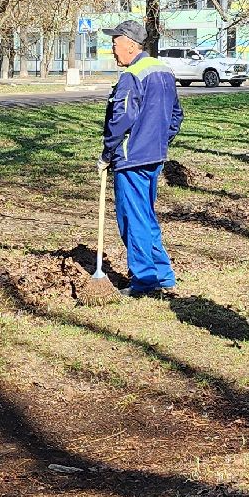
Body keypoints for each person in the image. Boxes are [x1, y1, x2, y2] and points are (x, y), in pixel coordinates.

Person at [101, 20, 182, 297]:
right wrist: (160, 141)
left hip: (132, 159)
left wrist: (107, 152)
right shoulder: (164, 71)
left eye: (114, 44)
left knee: (132, 220)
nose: (112, 50)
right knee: (146, 217)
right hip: (154, 157)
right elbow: (176, 116)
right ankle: (163, 274)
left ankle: (145, 281)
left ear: (130, 45)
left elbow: (121, 118)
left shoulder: (132, 75)